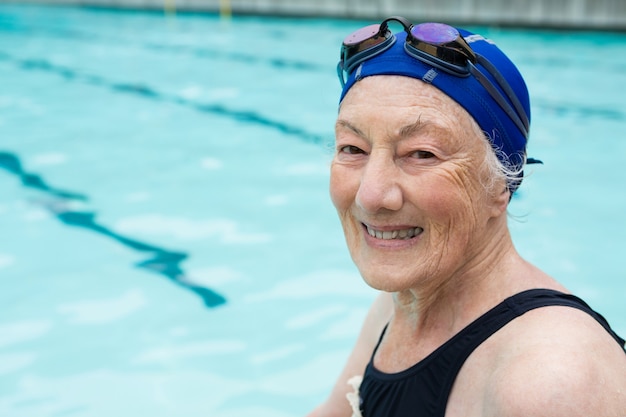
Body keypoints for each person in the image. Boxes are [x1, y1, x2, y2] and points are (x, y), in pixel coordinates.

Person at [307, 17, 626, 417]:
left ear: (501, 184)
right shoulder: (399, 305)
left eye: (422, 154)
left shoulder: (549, 383)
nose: (371, 196)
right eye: (353, 148)